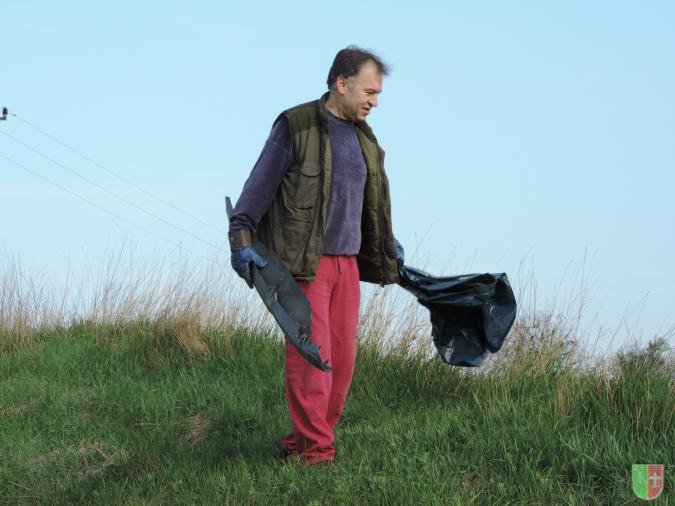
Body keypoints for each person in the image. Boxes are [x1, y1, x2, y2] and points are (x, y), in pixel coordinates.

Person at [228, 45, 403, 465]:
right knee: (311, 362)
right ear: (342, 83)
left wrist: (388, 241)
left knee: (341, 366)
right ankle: (316, 455)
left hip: (348, 264)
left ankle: (299, 441)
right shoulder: (297, 125)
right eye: (369, 92)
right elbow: (257, 187)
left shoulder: (365, 139)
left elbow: (368, 203)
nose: (375, 102)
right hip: (306, 265)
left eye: (378, 94)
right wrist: (240, 239)